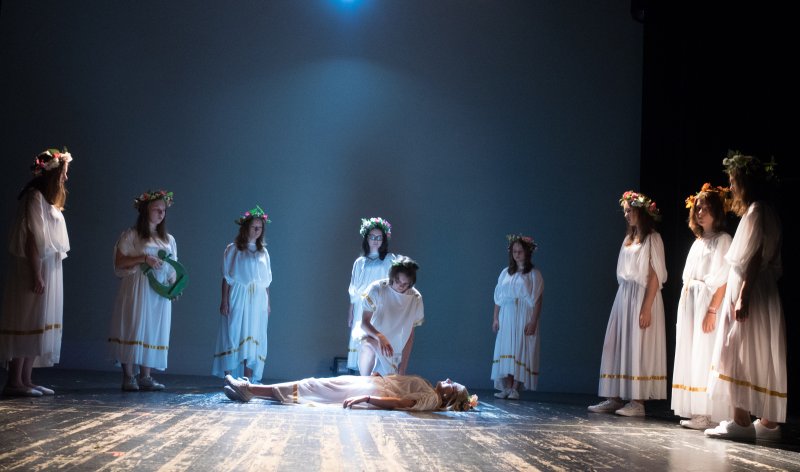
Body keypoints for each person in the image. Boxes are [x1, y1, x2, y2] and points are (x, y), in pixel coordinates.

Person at [705, 152, 785, 441]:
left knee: (737, 349)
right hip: (763, 289)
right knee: (760, 350)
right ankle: (768, 423)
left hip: (751, 288)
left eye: (733, 180)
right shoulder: (767, 211)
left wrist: (743, 295)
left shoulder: (756, 211)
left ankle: (741, 421)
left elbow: (755, 256)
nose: (731, 185)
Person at [0, 148, 72, 397]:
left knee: (38, 321)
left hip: (48, 266)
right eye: (63, 173)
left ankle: (27, 379)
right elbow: (32, 239)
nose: (66, 178)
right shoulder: (34, 197)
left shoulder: (47, 201)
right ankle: (14, 381)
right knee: (26, 319)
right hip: (33, 266)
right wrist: (37, 273)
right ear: (52, 173)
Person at [588, 190, 667, 416]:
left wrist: (646, 307)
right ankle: (613, 397)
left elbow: (655, 275)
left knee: (638, 345)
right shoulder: (628, 240)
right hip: (624, 295)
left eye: (630, 210)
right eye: (625, 211)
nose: (627, 215)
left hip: (642, 295)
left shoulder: (653, 239)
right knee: (616, 343)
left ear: (641, 212)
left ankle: (637, 402)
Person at [671, 183, 732, 429]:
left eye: (705, 208)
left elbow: (723, 280)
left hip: (706, 303)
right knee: (692, 354)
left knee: (704, 354)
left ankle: (706, 413)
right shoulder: (699, 241)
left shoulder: (723, 240)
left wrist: (712, 310)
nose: (700, 212)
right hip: (691, 301)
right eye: (697, 208)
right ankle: (697, 411)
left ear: (716, 212)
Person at [108, 190, 177, 391]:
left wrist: (174, 287)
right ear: (146, 210)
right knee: (133, 325)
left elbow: (173, 267)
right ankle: (128, 376)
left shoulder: (168, 239)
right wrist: (144, 259)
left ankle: (146, 376)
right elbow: (120, 262)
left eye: (163, 210)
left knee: (152, 328)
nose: (161, 213)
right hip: (138, 286)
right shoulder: (132, 235)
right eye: (157, 209)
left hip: (158, 291)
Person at [212, 206, 272, 383]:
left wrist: (268, 303)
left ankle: (248, 377)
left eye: (259, 227)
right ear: (246, 228)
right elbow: (227, 277)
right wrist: (224, 300)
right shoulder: (233, 249)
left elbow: (267, 281)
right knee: (234, 331)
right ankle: (229, 376)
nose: (257, 230)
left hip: (258, 297)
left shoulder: (263, 252)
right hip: (238, 293)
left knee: (254, 333)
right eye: (253, 227)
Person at [222, 373, 478, 412]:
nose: (448, 380)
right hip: (370, 383)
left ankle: (249, 389)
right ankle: (251, 391)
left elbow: (402, 402)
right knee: (314, 385)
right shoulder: (432, 391)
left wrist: (367, 398)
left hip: (368, 389)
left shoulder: (432, 399)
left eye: (452, 384)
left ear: (449, 396)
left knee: (313, 387)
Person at [491, 234, 544, 399]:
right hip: (507, 314)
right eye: (514, 251)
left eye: (520, 251)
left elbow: (538, 299)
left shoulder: (534, 274)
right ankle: (507, 387)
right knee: (506, 348)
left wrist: (533, 321)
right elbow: (498, 298)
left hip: (523, 314)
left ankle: (515, 387)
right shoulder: (505, 273)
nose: (517, 254)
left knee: (519, 348)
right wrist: (495, 318)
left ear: (527, 252)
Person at [358, 256, 423, 376]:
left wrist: (403, 368)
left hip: (393, 351)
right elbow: (364, 323)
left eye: (405, 284)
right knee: (368, 347)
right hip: (373, 341)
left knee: (388, 384)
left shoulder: (415, 298)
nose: (401, 286)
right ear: (392, 277)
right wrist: (380, 337)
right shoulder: (377, 289)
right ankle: (365, 380)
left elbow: (409, 336)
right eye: (398, 281)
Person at [346, 217, 394, 372]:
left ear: (383, 240)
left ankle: (378, 373)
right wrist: (351, 310)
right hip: (362, 305)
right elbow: (354, 289)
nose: (375, 241)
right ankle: (364, 374)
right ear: (367, 238)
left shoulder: (389, 259)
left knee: (377, 336)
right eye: (372, 237)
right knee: (362, 339)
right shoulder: (360, 262)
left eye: (379, 237)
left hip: (380, 304)